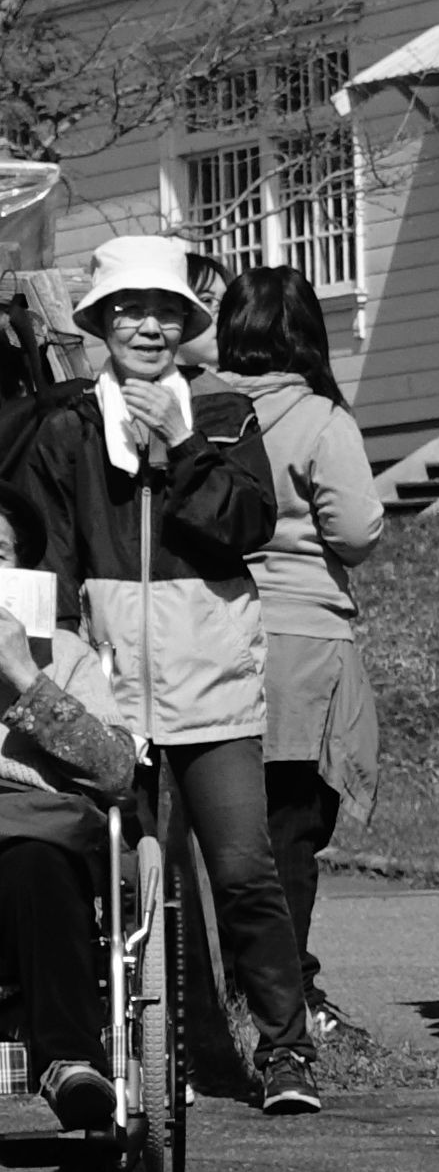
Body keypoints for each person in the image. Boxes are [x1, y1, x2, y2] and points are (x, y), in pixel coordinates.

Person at [9, 236, 319, 1113]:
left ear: (186, 323)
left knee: (244, 869)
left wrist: (183, 443)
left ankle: (287, 1050)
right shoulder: (67, 427)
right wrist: (66, 671)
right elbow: (49, 564)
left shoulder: (222, 410)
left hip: (212, 677)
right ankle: (158, 1048)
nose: (147, 326)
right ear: (100, 323)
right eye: (128, 310)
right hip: (109, 693)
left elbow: (245, 524)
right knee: (128, 878)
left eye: (164, 312)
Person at [213, 267, 385, 1040]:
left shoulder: (204, 411)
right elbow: (355, 531)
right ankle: (285, 997)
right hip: (305, 642)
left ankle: (232, 986)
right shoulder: (319, 419)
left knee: (228, 829)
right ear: (309, 335)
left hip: (216, 634)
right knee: (291, 829)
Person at [0, 493, 140, 1136]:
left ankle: (69, 1062)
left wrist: (24, 676)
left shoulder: (65, 653)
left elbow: (115, 770)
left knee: (38, 864)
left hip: (30, 833)